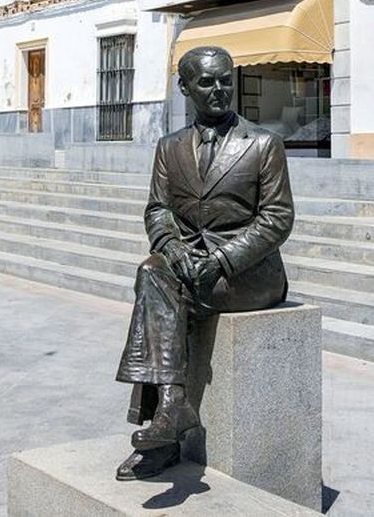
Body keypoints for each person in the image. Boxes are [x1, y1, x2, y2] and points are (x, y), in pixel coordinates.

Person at [114, 45, 295, 481]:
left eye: (225, 80)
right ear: (185, 88)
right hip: (189, 261)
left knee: (158, 290)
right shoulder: (169, 147)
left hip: (248, 272)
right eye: (207, 82)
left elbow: (278, 217)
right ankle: (173, 409)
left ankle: (166, 427)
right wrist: (173, 248)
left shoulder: (264, 143)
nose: (219, 90)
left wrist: (222, 258)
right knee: (154, 273)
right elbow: (157, 210)